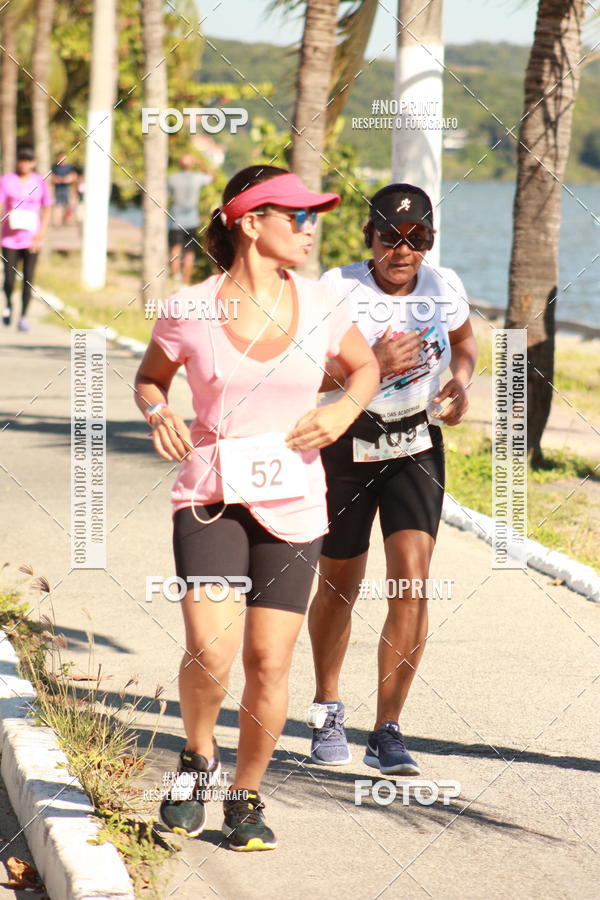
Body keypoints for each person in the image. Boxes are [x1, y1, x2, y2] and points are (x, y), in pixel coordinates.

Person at [134, 165, 379, 850]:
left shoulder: (325, 305)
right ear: (249, 222)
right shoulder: (189, 309)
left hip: (295, 503)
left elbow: (365, 368)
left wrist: (342, 413)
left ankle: (245, 798)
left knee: (270, 662)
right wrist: (158, 412)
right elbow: (150, 379)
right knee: (210, 652)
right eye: (294, 216)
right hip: (210, 497)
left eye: (312, 216)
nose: (309, 227)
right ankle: (196, 758)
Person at [308, 183, 477, 775]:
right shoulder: (337, 287)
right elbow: (311, 373)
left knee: (412, 581)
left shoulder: (443, 285)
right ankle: (327, 707)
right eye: (392, 238)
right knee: (339, 582)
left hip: (416, 442)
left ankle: (387, 729)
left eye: (419, 239)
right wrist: (371, 363)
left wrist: (460, 382)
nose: (404, 252)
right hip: (351, 438)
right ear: (368, 237)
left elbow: (463, 342)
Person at [0, 145, 52, 331]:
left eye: (28, 161)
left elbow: (47, 206)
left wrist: (40, 235)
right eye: (21, 160)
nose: (24, 164)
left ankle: (22, 316)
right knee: (8, 279)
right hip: (9, 239)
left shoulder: (40, 181)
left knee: (28, 279)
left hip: (32, 240)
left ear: (33, 163)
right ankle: (8, 304)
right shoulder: (7, 180)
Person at [167, 153, 214, 285]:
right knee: (189, 252)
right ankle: (185, 281)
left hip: (176, 219)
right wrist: (200, 162)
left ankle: (176, 277)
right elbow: (212, 176)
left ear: (179, 165)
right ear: (191, 165)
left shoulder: (172, 178)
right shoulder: (197, 178)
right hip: (192, 220)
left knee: (175, 248)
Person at [50, 151, 77, 226]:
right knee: (57, 205)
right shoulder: (54, 167)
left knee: (68, 205)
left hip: (67, 188)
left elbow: (74, 177)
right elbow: (52, 177)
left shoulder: (70, 167)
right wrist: (56, 179)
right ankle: (57, 222)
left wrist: (66, 179)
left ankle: (66, 220)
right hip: (57, 189)